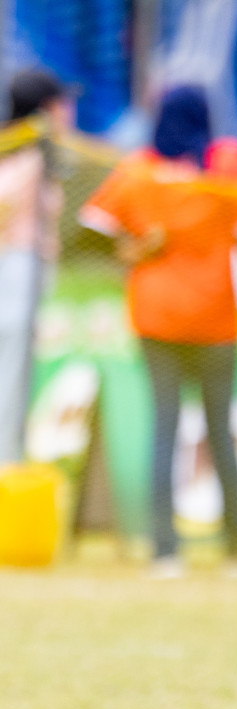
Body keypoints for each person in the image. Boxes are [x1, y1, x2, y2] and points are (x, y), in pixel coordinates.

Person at [79, 85, 237, 578]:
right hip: (216, 317)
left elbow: (85, 231)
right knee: (220, 432)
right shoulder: (228, 165)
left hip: (157, 317)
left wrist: (132, 249)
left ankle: (166, 550)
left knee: (164, 430)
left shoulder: (139, 171)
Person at [0, 68, 72, 466]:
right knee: (10, 372)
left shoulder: (37, 155)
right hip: (14, 268)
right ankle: (5, 465)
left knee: (17, 372)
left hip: (25, 267)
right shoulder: (22, 155)